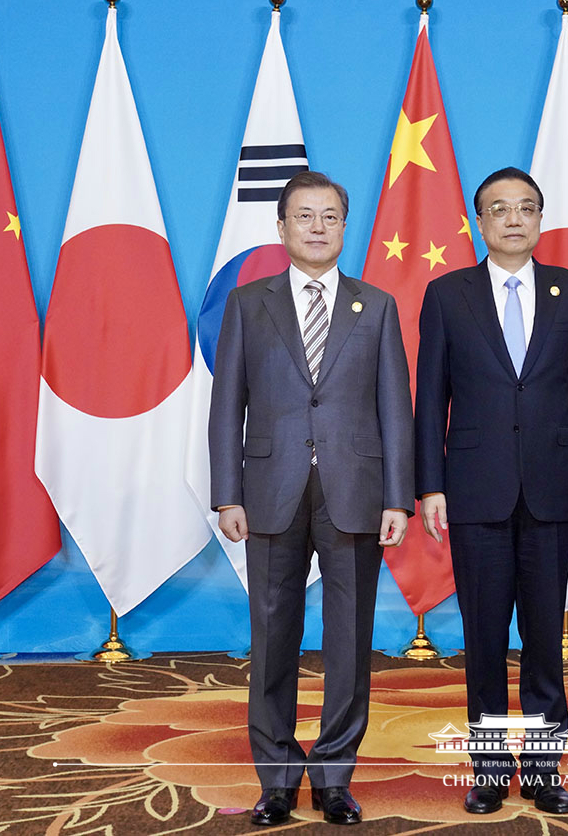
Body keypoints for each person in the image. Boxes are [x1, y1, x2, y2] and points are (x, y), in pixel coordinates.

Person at [209, 171, 414, 827]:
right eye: (305, 216)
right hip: (269, 489)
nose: (318, 227)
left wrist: (399, 497)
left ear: (344, 228)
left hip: (356, 490)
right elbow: (225, 409)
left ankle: (332, 776)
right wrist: (226, 493)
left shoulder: (375, 305)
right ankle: (275, 778)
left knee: (350, 641)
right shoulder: (248, 304)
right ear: (282, 227)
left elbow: (395, 409)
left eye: (330, 216)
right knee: (273, 636)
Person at [414, 167, 568, 816]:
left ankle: (547, 768)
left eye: (526, 208)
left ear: (540, 219)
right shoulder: (447, 295)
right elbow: (429, 400)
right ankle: (491, 768)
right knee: (486, 636)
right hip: (474, 490)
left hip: (553, 487)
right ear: (480, 221)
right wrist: (430, 485)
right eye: (500, 209)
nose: (514, 219)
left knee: (545, 639)